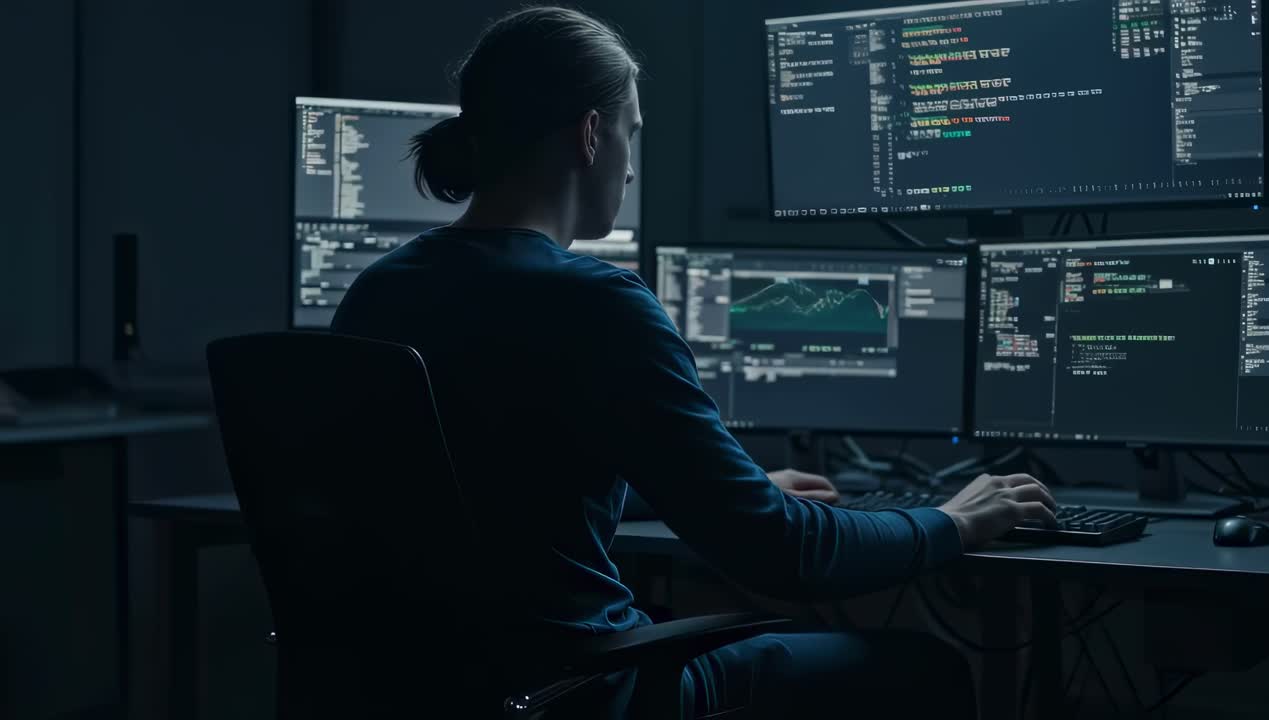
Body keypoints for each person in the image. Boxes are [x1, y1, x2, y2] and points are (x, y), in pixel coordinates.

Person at [330, 6, 1057, 718]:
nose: (631, 169)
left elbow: (485, 480)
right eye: (630, 135)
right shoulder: (595, 301)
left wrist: (718, 486)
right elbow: (781, 554)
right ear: (590, 135)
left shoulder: (379, 292)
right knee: (921, 671)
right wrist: (951, 522)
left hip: (416, 690)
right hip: (574, 688)